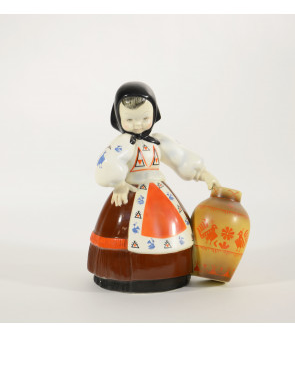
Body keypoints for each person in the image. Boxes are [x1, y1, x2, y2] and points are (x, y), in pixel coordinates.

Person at [88, 81, 219, 292]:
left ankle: (172, 271)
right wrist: (118, 183)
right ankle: (122, 274)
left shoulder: (158, 141)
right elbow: (108, 162)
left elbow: (180, 157)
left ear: (155, 114)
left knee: (169, 229)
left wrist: (203, 174)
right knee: (125, 234)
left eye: (144, 118)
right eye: (130, 119)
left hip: (159, 196)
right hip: (130, 194)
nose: (138, 125)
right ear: (118, 118)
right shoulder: (123, 143)